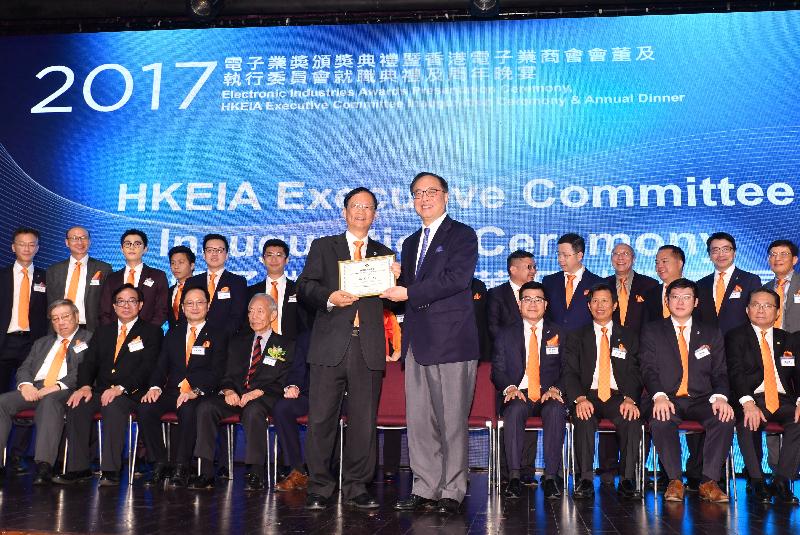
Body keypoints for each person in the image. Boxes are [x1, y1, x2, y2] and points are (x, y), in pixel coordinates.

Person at [383, 172, 479, 515]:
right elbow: (410, 290)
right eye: (417, 194)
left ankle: (453, 490)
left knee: (451, 420)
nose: (424, 198)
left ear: (446, 196)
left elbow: (456, 280)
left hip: (452, 342)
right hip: (417, 343)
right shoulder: (410, 243)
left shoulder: (463, 235)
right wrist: (394, 277)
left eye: (431, 192)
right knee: (420, 421)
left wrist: (408, 289)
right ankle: (425, 487)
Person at [297, 187, 397, 510]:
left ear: (375, 215)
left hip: (367, 347)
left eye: (368, 207)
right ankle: (320, 486)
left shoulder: (384, 255)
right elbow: (305, 287)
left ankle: (356, 486)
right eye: (356, 206)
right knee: (321, 420)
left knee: (364, 421)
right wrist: (329, 298)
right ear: (344, 211)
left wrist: (396, 278)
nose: (361, 212)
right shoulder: (324, 247)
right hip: (329, 346)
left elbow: (396, 301)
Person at [55, 284, 163, 486]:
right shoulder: (103, 331)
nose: (126, 305)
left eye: (132, 301)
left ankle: (111, 470)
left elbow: (147, 368)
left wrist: (120, 388)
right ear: (114, 307)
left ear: (140, 305)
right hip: (100, 390)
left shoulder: (152, 332)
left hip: (131, 392)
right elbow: (89, 363)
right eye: (120, 301)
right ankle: (79, 468)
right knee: (77, 404)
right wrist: (85, 386)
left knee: (113, 406)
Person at [639, 278, 734, 503]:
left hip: (702, 398)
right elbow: (648, 369)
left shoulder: (711, 333)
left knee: (724, 417)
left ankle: (709, 481)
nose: (680, 302)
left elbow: (720, 372)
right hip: (667, 397)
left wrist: (721, 397)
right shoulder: (652, 330)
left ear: (696, 302)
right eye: (675, 297)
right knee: (660, 418)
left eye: (686, 297)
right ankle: (675, 480)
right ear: (667, 300)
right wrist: (659, 396)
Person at [190, 293, 293, 491]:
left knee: (253, 411)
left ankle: (255, 472)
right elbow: (225, 374)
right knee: (206, 407)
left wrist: (257, 392)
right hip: (235, 396)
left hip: (262, 397)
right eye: (250, 311)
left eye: (260, 311)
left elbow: (283, 381)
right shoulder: (238, 342)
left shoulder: (286, 344)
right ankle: (206, 472)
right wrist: (228, 390)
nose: (254, 316)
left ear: (272, 315)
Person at [138, 287, 227, 487]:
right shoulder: (173, 333)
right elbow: (161, 366)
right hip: (172, 391)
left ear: (208, 305)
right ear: (182, 307)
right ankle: (160, 462)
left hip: (200, 393)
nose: (195, 307)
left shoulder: (218, 334)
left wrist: (196, 391)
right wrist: (154, 387)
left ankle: (182, 466)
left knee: (188, 409)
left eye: (200, 302)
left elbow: (218, 371)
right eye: (189, 303)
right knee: (145, 408)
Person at [563, 283, 642, 500]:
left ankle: (627, 479)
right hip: (588, 395)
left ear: (615, 305)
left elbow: (637, 372)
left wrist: (631, 399)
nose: (600, 306)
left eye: (605, 301)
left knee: (631, 418)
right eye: (595, 301)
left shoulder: (629, 336)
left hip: (618, 397)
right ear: (589, 306)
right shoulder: (576, 336)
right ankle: (585, 479)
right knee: (584, 417)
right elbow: (569, 372)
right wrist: (579, 398)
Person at [0, 299, 91, 484]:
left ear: (76, 316)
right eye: (55, 319)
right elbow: (24, 368)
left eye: (65, 317)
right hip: (36, 388)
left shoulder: (89, 339)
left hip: (67, 389)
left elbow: (86, 370)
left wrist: (56, 386)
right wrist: (26, 385)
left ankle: (44, 466)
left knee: (50, 402)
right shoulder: (41, 342)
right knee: (2, 402)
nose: (61, 322)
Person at [725, 288, 800, 504]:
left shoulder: (788, 339)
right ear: (747, 310)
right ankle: (756, 480)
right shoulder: (736, 336)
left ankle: (782, 481)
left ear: (777, 312)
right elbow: (735, 371)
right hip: (753, 397)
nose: (761, 309)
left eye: (767, 305)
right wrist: (747, 402)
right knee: (748, 420)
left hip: (783, 400)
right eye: (756, 305)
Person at [491, 281, 565, 500]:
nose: (533, 304)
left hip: (547, 393)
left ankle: (551, 477)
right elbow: (497, 370)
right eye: (527, 299)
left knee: (555, 410)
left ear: (546, 304)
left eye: (538, 299)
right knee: (513, 411)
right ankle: (514, 477)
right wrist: (510, 387)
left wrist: (556, 388)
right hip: (518, 392)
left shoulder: (559, 332)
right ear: (519, 303)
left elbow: (568, 368)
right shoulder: (505, 334)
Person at [0, 228, 48, 394]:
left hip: (33, 343)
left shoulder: (46, 277)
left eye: (31, 244)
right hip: (4, 341)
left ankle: (27, 421)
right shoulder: (2, 275)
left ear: (37, 248)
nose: (27, 249)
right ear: (13, 247)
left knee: (31, 392)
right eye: (22, 244)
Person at [45, 226, 112, 333]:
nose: (80, 242)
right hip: (60, 329)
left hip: (91, 329)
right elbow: (49, 302)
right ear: (67, 242)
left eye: (84, 238)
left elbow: (107, 303)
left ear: (89, 241)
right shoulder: (53, 270)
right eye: (75, 238)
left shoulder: (104, 268)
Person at [99, 229, 169, 328]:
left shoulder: (158, 276)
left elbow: (162, 310)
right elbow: (104, 311)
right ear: (122, 249)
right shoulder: (112, 278)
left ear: (145, 249)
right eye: (128, 244)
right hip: (116, 335)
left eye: (137, 244)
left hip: (147, 336)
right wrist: (112, 332)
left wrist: (148, 332)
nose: (132, 247)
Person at [696, 232, 762, 335]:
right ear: (709, 255)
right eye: (715, 250)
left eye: (726, 249)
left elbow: (757, 314)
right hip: (708, 344)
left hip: (740, 344)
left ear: (734, 252)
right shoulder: (700, 284)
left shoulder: (750, 280)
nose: (721, 254)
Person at [184, 233, 247, 338]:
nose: (214, 254)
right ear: (204, 255)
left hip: (225, 341)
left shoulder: (237, 282)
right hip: (195, 338)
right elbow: (185, 312)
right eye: (210, 250)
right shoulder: (192, 282)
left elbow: (237, 316)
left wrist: (219, 338)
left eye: (219, 250)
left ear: (227, 255)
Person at [272, 329, 311, 492]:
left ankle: (335, 470)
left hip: (339, 393)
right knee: (282, 408)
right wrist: (294, 385)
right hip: (309, 393)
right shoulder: (306, 335)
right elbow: (298, 367)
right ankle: (297, 470)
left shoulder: (351, 331)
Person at [542, 233, 602, 333]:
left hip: (584, 344)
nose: (560, 259)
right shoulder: (549, 281)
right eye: (558, 254)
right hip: (554, 343)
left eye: (565, 255)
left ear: (579, 256)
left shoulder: (598, 283)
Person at [247, 238, 305, 340]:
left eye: (279, 255)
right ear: (263, 260)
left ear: (287, 260)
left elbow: (305, 324)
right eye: (269, 255)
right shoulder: (250, 292)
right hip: (258, 347)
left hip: (291, 348)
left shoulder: (299, 290)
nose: (274, 260)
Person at [604, 243, 658, 336]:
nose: (620, 257)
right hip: (609, 342)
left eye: (625, 254)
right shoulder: (602, 285)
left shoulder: (650, 285)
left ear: (634, 259)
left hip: (642, 345)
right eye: (616, 254)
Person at [764, 239, 800, 333]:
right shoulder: (763, 289)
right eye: (773, 255)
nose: (777, 258)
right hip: (770, 343)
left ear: (794, 260)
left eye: (783, 254)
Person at [644, 245, 686, 322]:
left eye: (664, 261)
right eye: (657, 262)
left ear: (680, 263)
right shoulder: (650, 294)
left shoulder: (696, 290)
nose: (659, 266)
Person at [166, 245, 195, 331]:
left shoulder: (201, 288)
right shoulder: (169, 291)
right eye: (173, 263)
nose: (176, 267)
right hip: (174, 340)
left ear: (192, 265)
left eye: (181, 262)